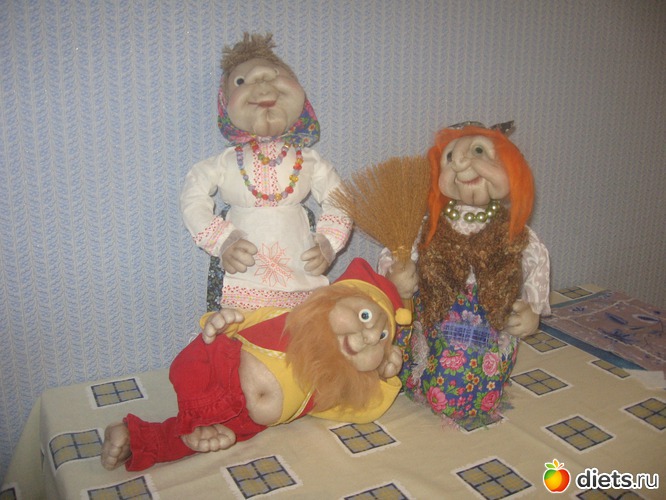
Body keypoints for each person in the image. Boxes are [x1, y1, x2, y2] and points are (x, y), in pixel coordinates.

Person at [101, 258, 410, 471]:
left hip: (243, 422)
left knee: (193, 442)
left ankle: (135, 439)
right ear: (331, 300)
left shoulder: (332, 385)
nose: (370, 336)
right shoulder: (290, 321)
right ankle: (195, 416)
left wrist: (382, 378)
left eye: (382, 338)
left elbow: (363, 410)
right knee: (197, 363)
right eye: (365, 316)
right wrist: (224, 322)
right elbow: (247, 320)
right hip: (223, 369)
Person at [381, 122, 550, 425]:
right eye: (449, 157)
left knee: (467, 380)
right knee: (428, 369)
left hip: (491, 325)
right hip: (435, 320)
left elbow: (537, 264)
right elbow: (395, 252)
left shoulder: (516, 233)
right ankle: (421, 382)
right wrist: (398, 276)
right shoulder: (428, 226)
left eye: (479, 151)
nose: (460, 163)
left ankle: (476, 392)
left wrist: (532, 309)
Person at [180, 33, 352, 310]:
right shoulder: (225, 162)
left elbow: (339, 199)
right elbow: (193, 195)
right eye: (241, 81)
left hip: (301, 271)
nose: (262, 85)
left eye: (275, 75)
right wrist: (220, 239)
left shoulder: (309, 160)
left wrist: (329, 242)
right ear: (225, 103)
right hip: (244, 276)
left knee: (302, 328)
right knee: (244, 331)